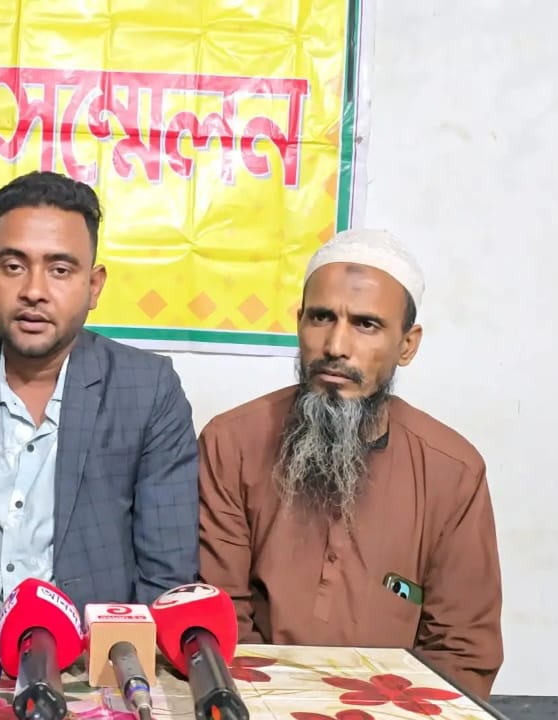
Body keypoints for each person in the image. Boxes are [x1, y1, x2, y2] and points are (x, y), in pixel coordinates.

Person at [0, 171, 199, 630]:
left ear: (94, 285)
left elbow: (166, 578)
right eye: (13, 266)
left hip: (91, 660)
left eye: (60, 270)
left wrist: (113, 662)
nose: (34, 291)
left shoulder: (148, 389)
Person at [197, 228, 503, 698]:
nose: (336, 345)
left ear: (407, 344)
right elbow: (220, 618)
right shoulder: (231, 443)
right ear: (299, 323)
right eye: (321, 317)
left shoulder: (453, 472)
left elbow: (462, 651)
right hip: (257, 702)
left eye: (366, 325)